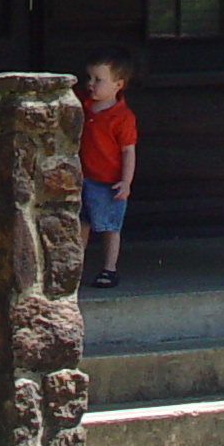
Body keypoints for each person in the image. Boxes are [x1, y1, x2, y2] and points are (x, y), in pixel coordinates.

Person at [76, 50, 137, 289]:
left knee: (110, 227)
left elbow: (128, 151)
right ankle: (75, 269)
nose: (90, 84)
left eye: (98, 80)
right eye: (89, 78)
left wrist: (126, 181)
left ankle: (109, 269)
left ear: (118, 85)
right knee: (82, 225)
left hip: (108, 181)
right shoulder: (84, 104)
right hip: (83, 178)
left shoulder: (122, 117)